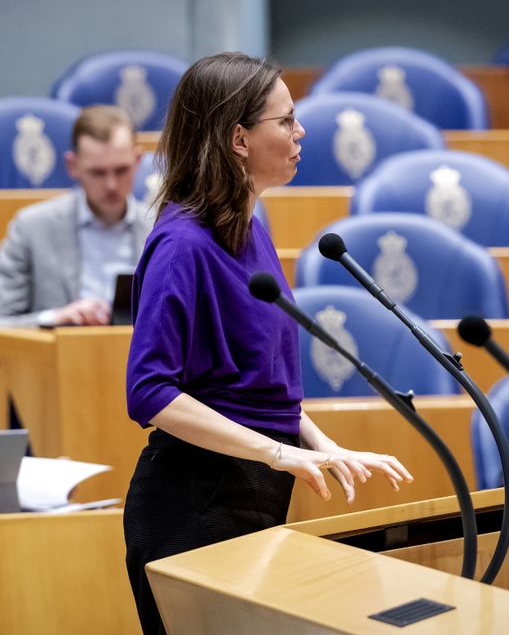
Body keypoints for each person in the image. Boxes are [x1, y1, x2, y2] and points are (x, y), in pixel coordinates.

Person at [122, 52, 414, 635]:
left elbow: (256, 383)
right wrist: (280, 453)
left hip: (253, 488)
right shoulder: (183, 244)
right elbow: (148, 392)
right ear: (238, 139)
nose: (300, 131)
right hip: (193, 502)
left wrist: (321, 444)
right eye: (285, 120)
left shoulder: (250, 224)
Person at [0, 105, 153, 362]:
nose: (111, 185)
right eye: (98, 172)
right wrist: (56, 319)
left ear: (138, 161)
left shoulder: (161, 226)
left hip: (144, 376)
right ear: (73, 165)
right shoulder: (32, 227)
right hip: (61, 376)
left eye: (121, 170)